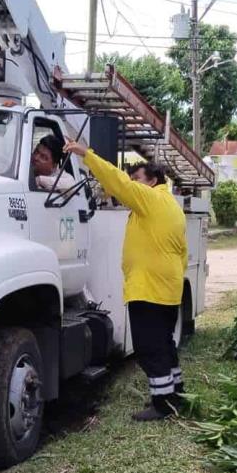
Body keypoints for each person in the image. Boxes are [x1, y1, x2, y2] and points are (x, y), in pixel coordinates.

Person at [64, 138, 187, 421]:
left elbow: (119, 182)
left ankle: (162, 403)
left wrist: (87, 155)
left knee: (149, 346)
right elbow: (182, 252)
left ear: (154, 180)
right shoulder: (170, 205)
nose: (133, 184)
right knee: (165, 342)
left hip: (148, 290)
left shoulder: (151, 199)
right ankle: (176, 392)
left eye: (138, 179)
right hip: (166, 289)